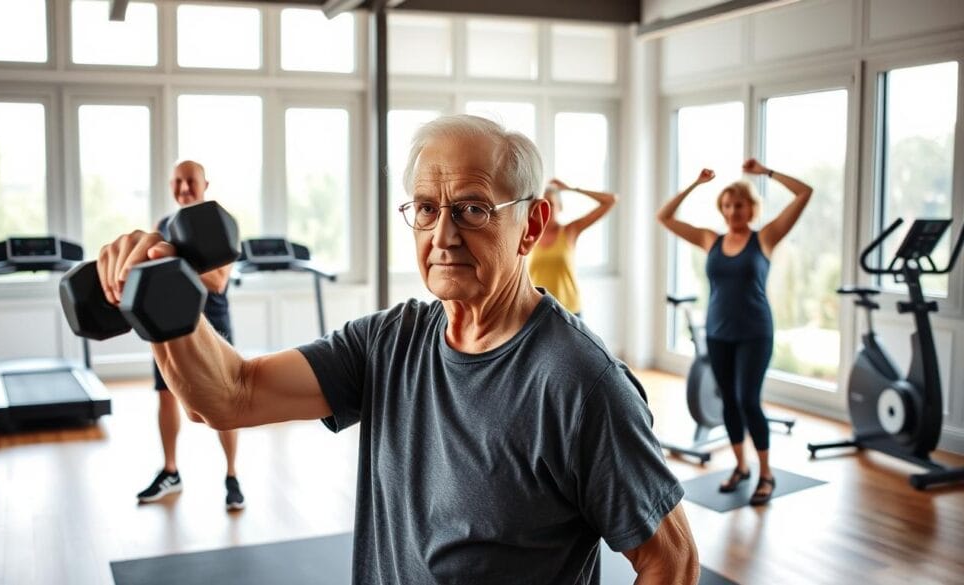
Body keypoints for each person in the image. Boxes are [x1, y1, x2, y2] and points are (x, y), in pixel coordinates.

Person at [98, 115, 698, 583]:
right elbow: (228, 396)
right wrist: (160, 300)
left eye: (472, 209)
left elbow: (672, 562)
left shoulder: (580, 385)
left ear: (532, 226)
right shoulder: (391, 341)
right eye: (427, 209)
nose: (443, 235)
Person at [656, 159, 812, 505]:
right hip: (718, 332)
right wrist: (695, 184)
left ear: (750, 207)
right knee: (728, 399)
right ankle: (740, 466)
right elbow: (664, 217)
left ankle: (766, 472)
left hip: (755, 332)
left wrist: (768, 173)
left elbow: (804, 193)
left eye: (738, 205)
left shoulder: (765, 238)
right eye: (726, 206)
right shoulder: (711, 239)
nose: (732, 212)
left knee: (747, 400)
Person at [134, 160, 245, 511]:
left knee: (226, 400)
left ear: (205, 184)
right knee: (165, 395)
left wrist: (174, 258)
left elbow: (218, 281)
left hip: (212, 321)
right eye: (178, 182)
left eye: (191, 182)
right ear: (171, 185)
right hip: (168, 319)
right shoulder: (163, 225)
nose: (184, 188)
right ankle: (170, 471)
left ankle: (231, 475)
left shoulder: (219, 223)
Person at [527, 178, 617, 316]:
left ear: (560, 207)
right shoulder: (528, 235)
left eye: (550, 204)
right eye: (542, 204)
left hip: (570, 311)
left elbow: (610, 200)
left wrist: (572, 189)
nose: (546, 209)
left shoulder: (570, 231)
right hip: (538, 312)